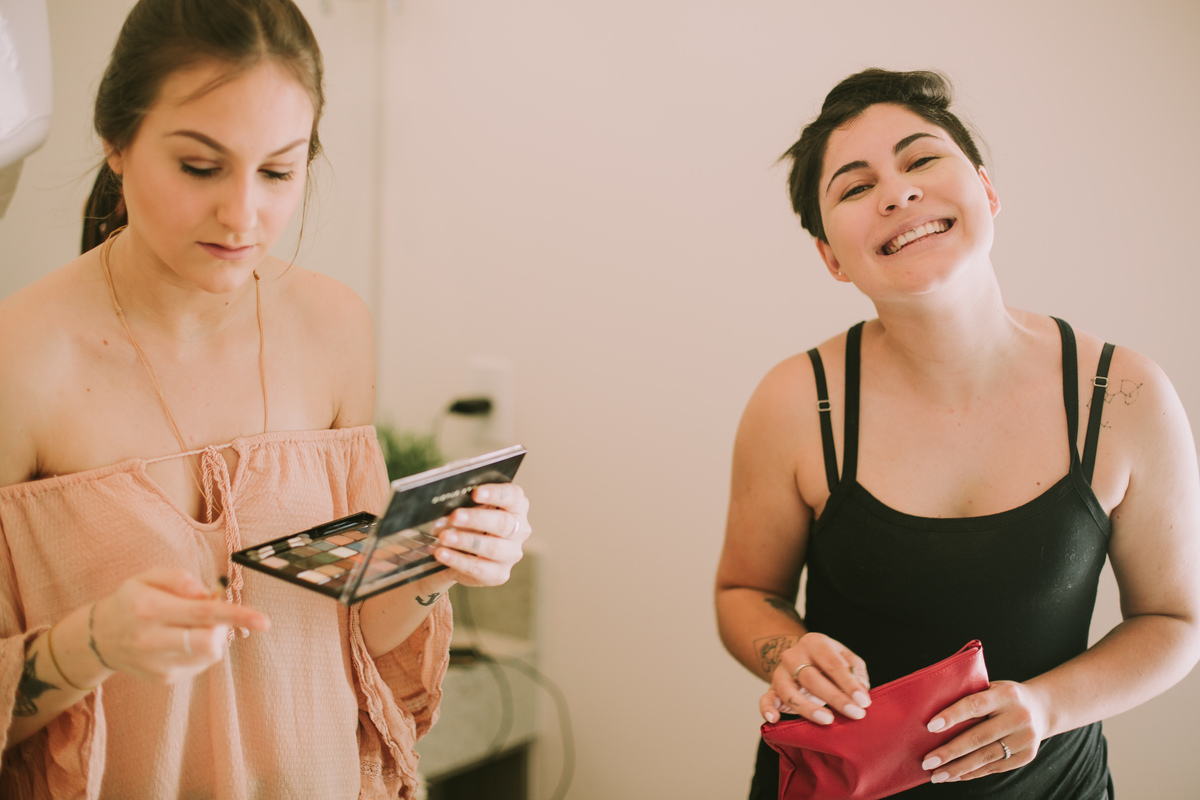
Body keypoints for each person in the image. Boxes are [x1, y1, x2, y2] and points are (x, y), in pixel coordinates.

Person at [0, 1, 531, 797]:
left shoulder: (334, 327)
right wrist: (93, 644)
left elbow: (353, 628)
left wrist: (443, 560)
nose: (242, 216)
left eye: (278, 172)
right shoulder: (19, 360)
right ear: (116, 141)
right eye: (200, 166)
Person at [714, 68, 1200, 799]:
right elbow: (744, 590)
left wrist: (1048, 706)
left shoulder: (1125, 396)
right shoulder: (795, 402)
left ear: (987, 190)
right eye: (855, 187)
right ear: (831, 257)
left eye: (921, 159)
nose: (897, 194)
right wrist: (786, 651)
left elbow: (1175, 622)